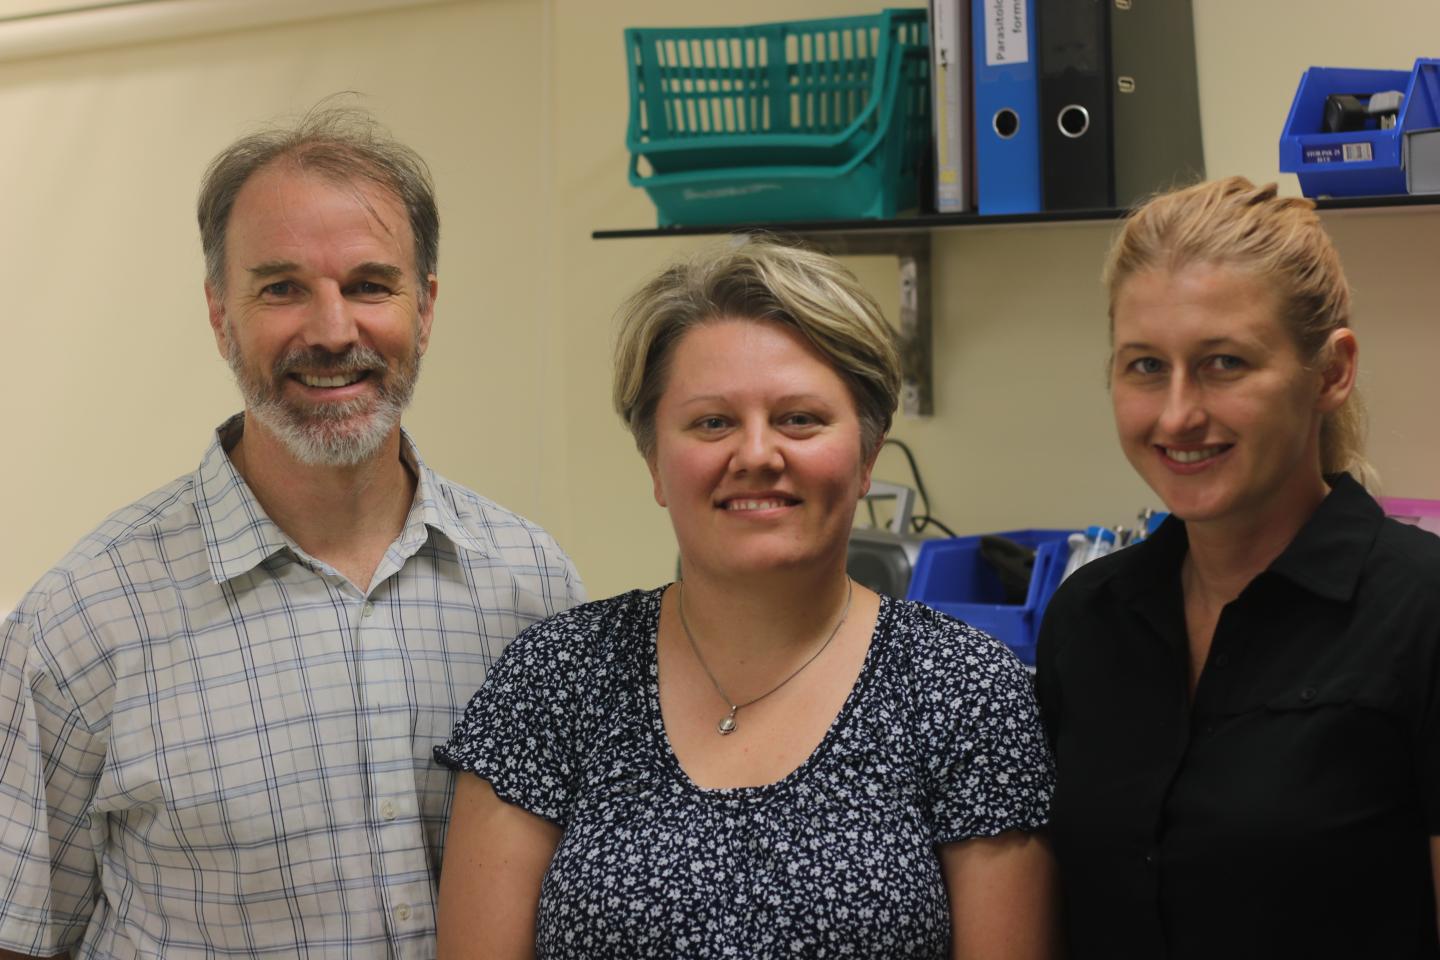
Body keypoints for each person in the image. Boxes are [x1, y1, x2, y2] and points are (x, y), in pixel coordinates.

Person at [0, 105, 582, 959]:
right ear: (218, 313)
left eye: (369, 286)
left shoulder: (534, 589)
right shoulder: (81, 625)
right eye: (281, 288)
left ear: (424, 309)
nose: (332, 330)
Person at [434, 239, 1058, 959]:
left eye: (799, 419)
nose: (757, 454)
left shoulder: (966, 693)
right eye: (712, 422)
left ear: (866, 458)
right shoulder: (557, 678)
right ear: (655, 463)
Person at [1035, 176, 1440, 958]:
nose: (1178, 413)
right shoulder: (1088, 619)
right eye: (1145, 366)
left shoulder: (1420, 614)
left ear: (1331, 372)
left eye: (1223, 363)